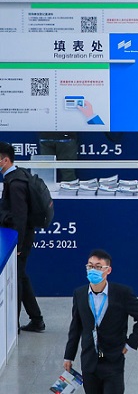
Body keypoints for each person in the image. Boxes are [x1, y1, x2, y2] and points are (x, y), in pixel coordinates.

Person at [63, 249, 138, 394]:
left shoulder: (122, 293)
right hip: (89, 361)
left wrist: (131, 343)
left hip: (113, 360)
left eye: (98, 267)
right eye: (90, 266)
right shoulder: (79, 294)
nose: (93, 270)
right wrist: (68, 356)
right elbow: (76, 327)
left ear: (108, 270)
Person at [0, 142, 44, 332]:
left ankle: (13, 325)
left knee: (17, 279)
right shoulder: (18, 175)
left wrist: (17, 244)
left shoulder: (16, 183)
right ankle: (36, 319)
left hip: (19, 239)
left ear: (5, 159)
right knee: (21, 276)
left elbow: (20, 216)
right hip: (20, 237)